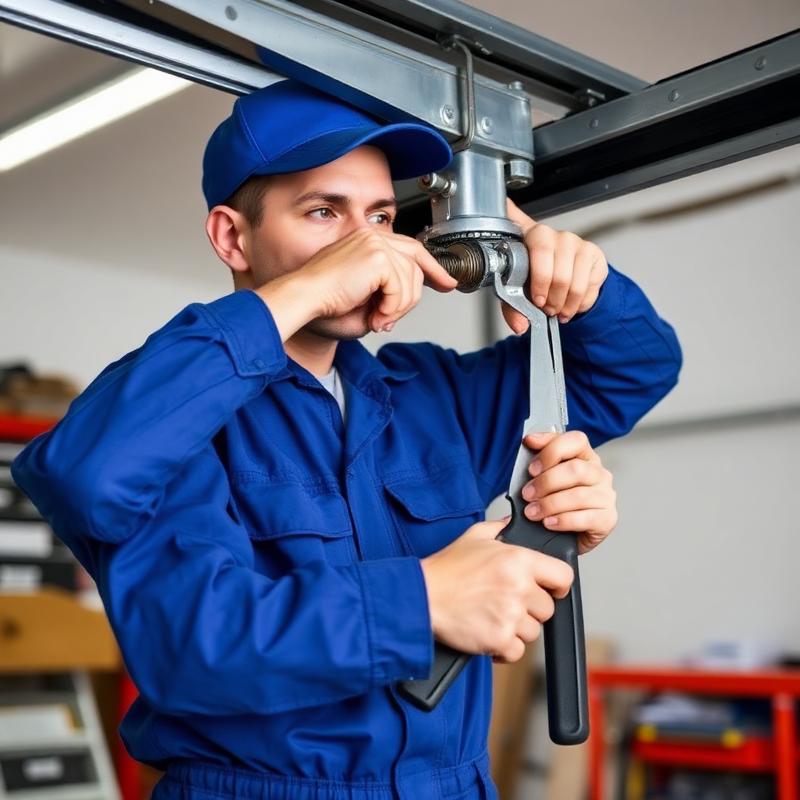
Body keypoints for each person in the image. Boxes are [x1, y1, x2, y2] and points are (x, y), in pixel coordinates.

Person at [11, 80, 681, 800]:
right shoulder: (179, 416)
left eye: (382, 216)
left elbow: (634, 366)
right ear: (232, 237)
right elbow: (178, 627)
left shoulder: (434, 396)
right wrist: (422, 599)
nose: (367, 243)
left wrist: (584, 280)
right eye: (323, 212)